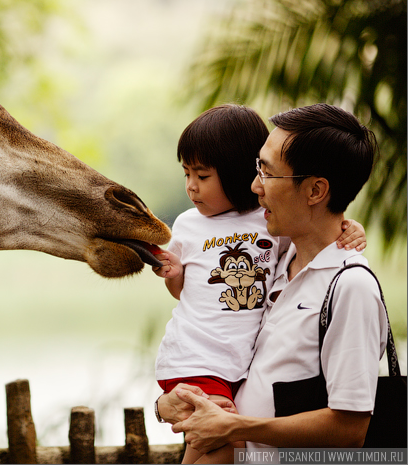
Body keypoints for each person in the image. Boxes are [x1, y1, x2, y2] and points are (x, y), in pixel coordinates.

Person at [155, 103, 387, 458]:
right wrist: (164, 404)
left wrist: (233, 426)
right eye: (256, 167)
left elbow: (349, 429)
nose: (253, 186)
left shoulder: (350, 287)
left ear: (315, 191)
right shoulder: (278, 261)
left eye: (267, 172)